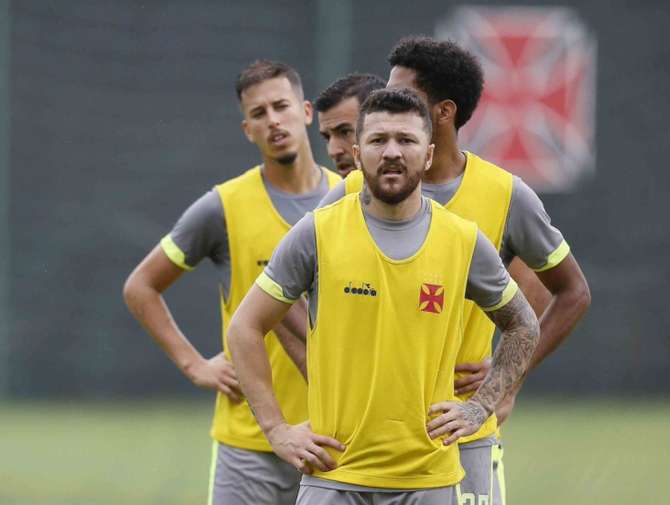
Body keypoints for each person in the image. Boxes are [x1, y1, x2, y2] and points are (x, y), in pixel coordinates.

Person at [228, 88, 541, 505]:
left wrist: (480, 406)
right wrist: (277, 429)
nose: (392, 152)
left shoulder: (463, 240)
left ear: (428, 155)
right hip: (333, 477)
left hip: (430, 482)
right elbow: (245, 326)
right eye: (378, 141)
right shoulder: (316, 232)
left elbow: (523, 324)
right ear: (358, 154)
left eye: (406, 140)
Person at [318, 36, 591, 505]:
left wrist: (503, 384)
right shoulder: (353, 192)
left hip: (459, 441)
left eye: (405, 95)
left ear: (443, 112)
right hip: (363, 450)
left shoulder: (505, 195)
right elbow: (282, 296)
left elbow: (571, 293)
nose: (388, 103)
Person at [122, 59, 341, 505]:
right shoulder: (223, 206)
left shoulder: (351, 199)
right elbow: (140, 286)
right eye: (259, 114)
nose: (273, 120)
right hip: (249, 444)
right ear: (247, 130)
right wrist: (195, 365)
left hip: (333, 439)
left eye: (280, 106)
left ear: (306, 112)